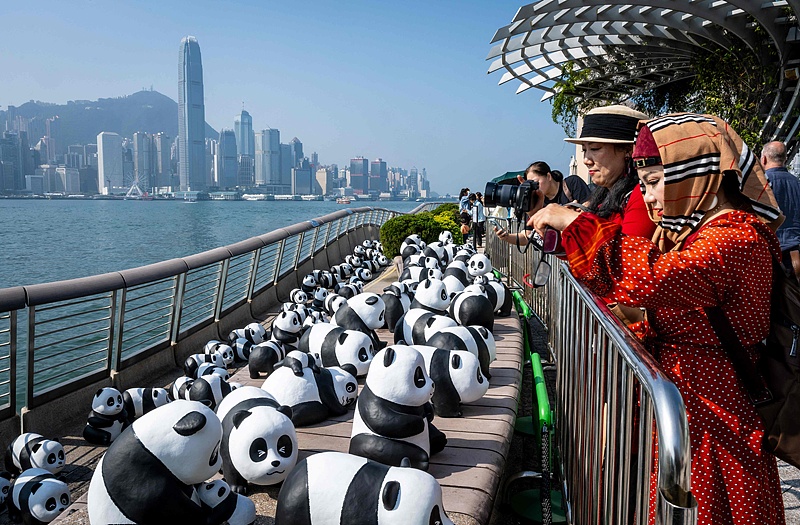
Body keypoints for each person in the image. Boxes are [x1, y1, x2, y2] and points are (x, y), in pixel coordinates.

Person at [531, 113, 786, 525]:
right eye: (644, 184)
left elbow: (646, 280)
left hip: (717, 410)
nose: (647, 198)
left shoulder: (735, 236)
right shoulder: (701, 231)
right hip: (698, 406)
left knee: (712, 509)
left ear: (694, 174)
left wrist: (575, 223)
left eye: (653, 183)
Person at [761, 141, 800, 279]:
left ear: (764, 159)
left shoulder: (761, 185)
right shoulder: (797, 183)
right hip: (797, 252)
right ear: (785, 159)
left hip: (771, 255)